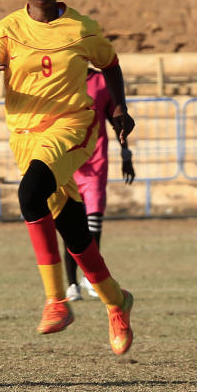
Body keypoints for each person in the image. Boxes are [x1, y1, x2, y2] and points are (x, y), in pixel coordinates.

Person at [0, 0, 135, 355]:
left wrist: (121, 107)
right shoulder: (5, 31)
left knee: (28, 194)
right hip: (24, 138)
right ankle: (116, 301)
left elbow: (109, 64)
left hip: (71, 127)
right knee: (75, 232)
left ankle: (57, 300)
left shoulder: (81, 29)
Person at [65, 68, 136, 301]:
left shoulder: (100, 81)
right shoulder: (62, 77)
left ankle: (90, 277)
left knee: (94, 221)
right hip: (67, 161)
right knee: (69, 223)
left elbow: (116, 121)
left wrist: (126, 154)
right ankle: (72, 283)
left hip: (95, 161)